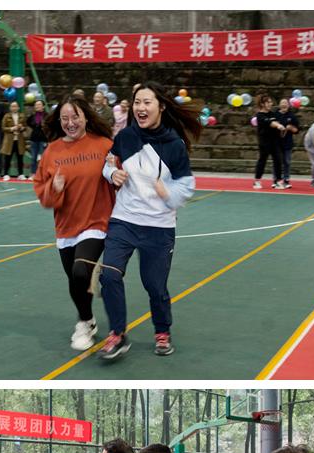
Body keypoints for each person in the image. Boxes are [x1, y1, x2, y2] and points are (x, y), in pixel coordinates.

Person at [98, 82, 199, 360]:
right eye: (137, 102)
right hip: (124, 220)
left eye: (147, 102)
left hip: (159, 227)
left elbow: (186, 185)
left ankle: (162, 331)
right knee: (109, 275)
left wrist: (169, 193)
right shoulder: (125, 137)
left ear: (161, 107)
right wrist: (111, 174)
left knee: (154, 286)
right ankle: (117, 333)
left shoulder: (174, 145)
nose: (140, 108)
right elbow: (108, 163)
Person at [33, 94, 116, 351]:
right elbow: (43, 195)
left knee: (80, 271)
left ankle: (82, 323)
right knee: (74, 279)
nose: (70, 123)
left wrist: (116, 174)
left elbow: (120, 179)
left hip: (96, 222)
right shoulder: (52, 151)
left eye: (75, 117)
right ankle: (88, 319)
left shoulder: (104, 145)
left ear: (86, 117)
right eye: (65, 118)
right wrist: (54, 188)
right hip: (66, 226)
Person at [251, 94, 285, 190]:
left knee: (278, 160)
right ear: (262, 104)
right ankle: (257, 181)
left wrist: (280, 127)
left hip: (275, 141)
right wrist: (278, 126)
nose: (270, 104)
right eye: (268, 102)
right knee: (262, 160)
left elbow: (276, 121)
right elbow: (270, 123)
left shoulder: (273, 114)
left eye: (271, 102)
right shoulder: (260, 115)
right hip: (264, 142)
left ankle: (278, 181)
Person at [273, 98, 300, 188]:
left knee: (287, 162)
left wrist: (291, 128)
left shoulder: (292, 116)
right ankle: (276, 180)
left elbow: (297, 130)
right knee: (277, 161)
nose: (284, 105)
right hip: (276, 142)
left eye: (285, 103)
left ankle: (286, 180)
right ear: (279, 105)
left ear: (288, 105)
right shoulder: (275, 115)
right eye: (282, 103)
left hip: (287, 143)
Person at [0, 100, 28, 180]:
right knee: (7, 157)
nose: (14, 108)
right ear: (10, 108)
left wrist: (21, 128)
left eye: (15, 106)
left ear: (18, 108)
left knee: (20, 157)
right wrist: (11, 128)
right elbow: (3, 128)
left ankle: (21, 174)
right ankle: (6, 174)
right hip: (9, 140)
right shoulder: (6, 116)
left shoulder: (22, 116)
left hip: (19, 140)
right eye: (12, 106)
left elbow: (25, 127)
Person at [26, 99, 48, 170]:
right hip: (34, 139)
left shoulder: (47, 116)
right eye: (36, 105)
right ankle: (33, 173)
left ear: (43, 106)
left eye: (39, 104)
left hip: (43, 139)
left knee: (42, 158)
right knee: (33, 158)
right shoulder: (32, 116)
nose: (37, 106)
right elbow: (28, 123)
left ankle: (42, 173)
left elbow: (50, 126)